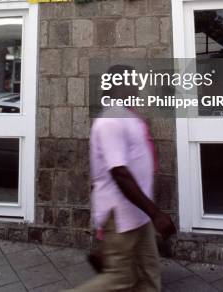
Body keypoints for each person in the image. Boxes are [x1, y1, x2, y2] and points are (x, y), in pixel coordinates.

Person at [72, 64, 176, 291]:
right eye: (132, 81)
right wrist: (156, 213)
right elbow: (118, 172)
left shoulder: (127, 116)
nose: (137, 85)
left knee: (149, 274)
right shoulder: (110, 120)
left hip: (139, 214)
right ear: (118, 85)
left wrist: (150, 212)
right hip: (122, 214)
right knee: (120, 279)